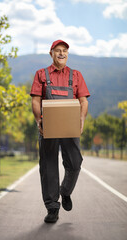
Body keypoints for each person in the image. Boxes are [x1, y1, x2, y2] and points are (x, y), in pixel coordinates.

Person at [30, 40, 90, 223]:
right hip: (48, 124)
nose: (61, 53)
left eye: (64, 51)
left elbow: (83, 101)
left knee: (75, 163)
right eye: (58, 50)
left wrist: (81, 118)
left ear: (67, 54)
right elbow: (35, 100)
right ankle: (52, 208)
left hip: (70, 125)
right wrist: (39, 119)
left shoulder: (76, 75)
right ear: (51, 53)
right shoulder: (41, 74)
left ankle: (65, 191)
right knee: (48, 166)